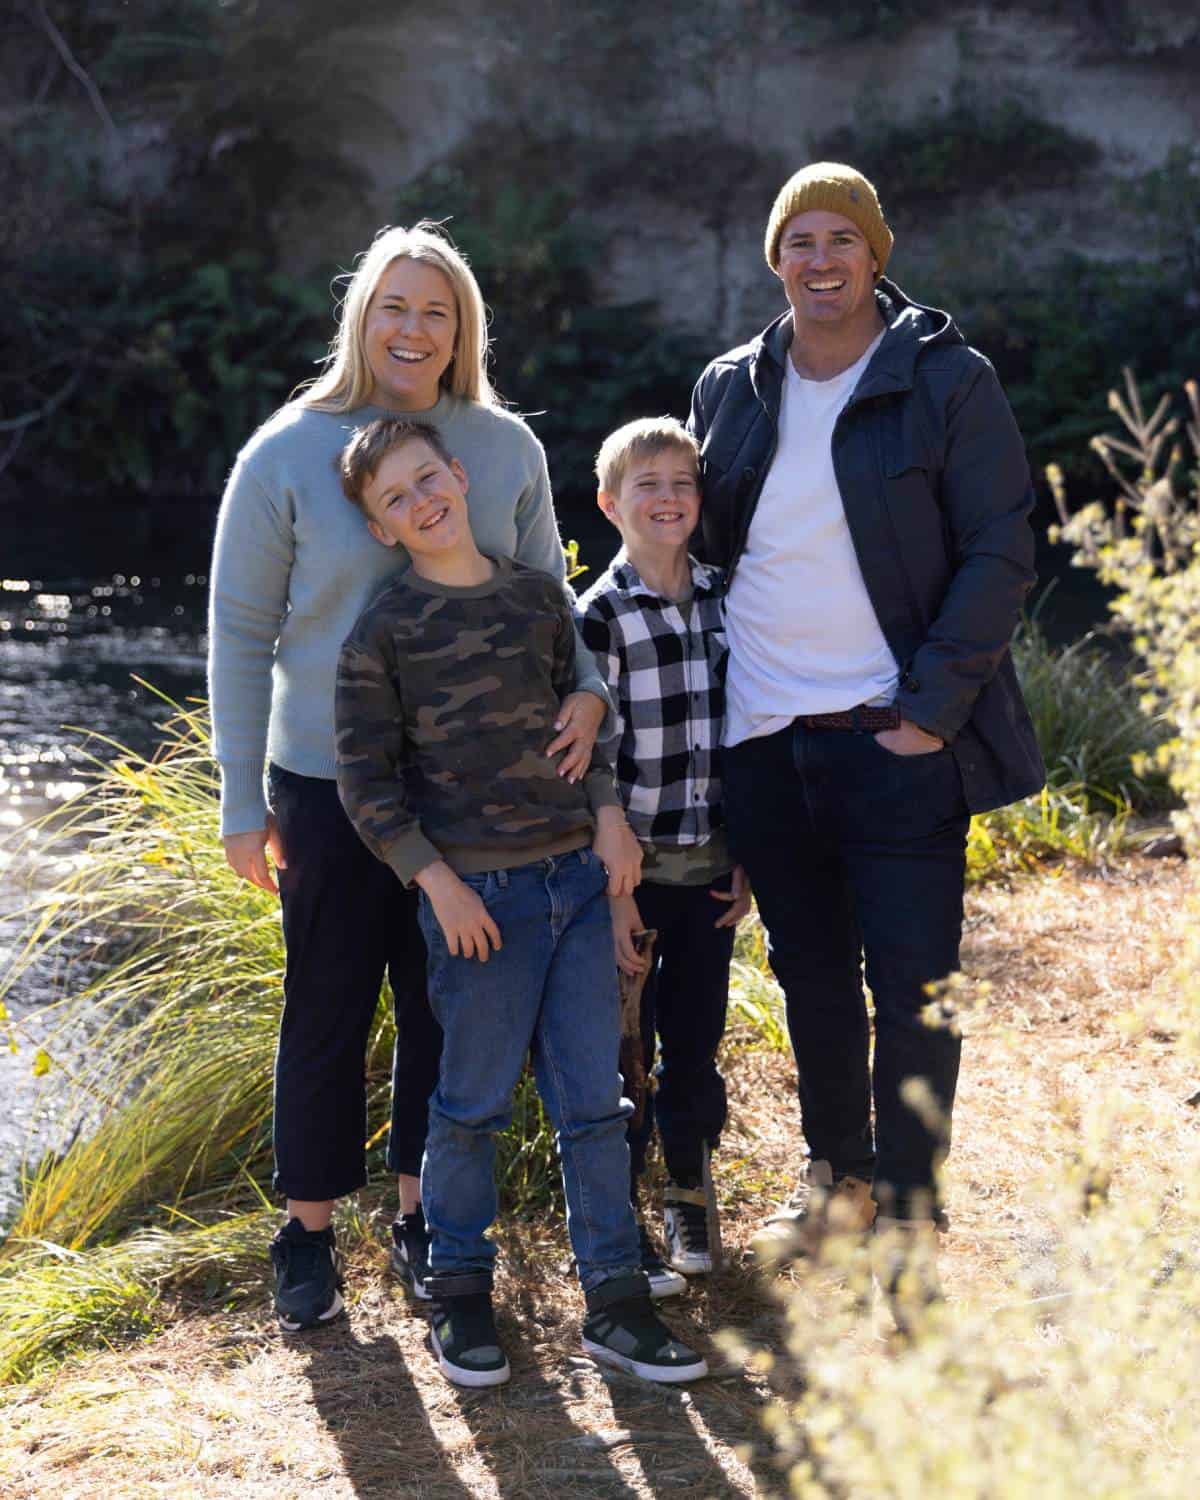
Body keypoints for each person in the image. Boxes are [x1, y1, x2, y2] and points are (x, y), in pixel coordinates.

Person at [207, 222, 610, 1332]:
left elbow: (549, 596)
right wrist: (242, 798)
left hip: (474, 792)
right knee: (327, 1006)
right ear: (361, 317)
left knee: (449, 1006)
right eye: (395, 306)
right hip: (327, 788)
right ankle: (308, 1231)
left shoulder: (503, 449)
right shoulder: (285, 454)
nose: (414, 329)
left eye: (437, 311)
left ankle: (426, 1217)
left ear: (461, 329)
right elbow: (241, 631)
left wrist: (588, 692)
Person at [687, 162, 1044, 1302]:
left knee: (914, 988)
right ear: (773, 258)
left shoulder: (948, 379)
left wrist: (931, 713)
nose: (820, 259)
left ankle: (908, 1222)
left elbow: (1001, 550)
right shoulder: (730, 388)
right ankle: (835, 1175)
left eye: (842, 237)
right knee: (812, 983)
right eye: (798, 239)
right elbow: (700, 556)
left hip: (893, 739)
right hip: (762, 745)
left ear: (875, 254)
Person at [333, 415, 708, 1387]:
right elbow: (367, 784)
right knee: (470, 1107)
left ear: (457, 474)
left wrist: (610, 821)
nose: (422, 502)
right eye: (396, 500)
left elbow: (588, 729)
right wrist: (440, 884)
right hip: (480, 905)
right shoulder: (387, 629)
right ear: (383, 527)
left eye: (428, 479)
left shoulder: (538, 598)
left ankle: (616, 1305)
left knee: (594, 1103)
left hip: (578, 886)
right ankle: (459, 1298)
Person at [576, 417, 750, 1299]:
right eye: (647, 484)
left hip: (711, 865)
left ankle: (689, 1185)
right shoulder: (595, 617)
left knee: (694, 1039)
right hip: (629, 878)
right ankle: (620, 1212)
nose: (669, 498)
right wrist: (611, 896)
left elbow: (751, 730)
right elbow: (587, 764)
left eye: (683, 481)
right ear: (610, 503)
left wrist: (748, 856)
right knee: (620, 1050)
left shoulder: (729, 597)